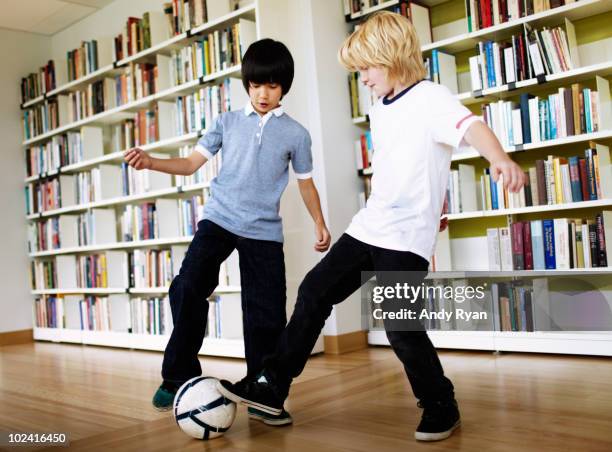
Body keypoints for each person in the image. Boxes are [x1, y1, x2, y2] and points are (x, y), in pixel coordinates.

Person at [218, 12, 526, 441]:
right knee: (314, 291)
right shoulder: (380, 107)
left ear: (392, 57)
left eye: (367, 68)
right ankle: (271, 387)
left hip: (405, 236)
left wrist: (500, 159)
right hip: (370, 225)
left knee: (400, 325)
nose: (362, 78)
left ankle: (440, 403)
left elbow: (472, 128)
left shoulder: (431, 97)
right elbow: (403, 164)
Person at [124, 38, 331, 426]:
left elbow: (305, 183)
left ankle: (264, 393)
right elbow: (190, 164)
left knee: (265, 315)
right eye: (255, 85)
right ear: (246, 84)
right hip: (218, 221)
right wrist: (151, 162)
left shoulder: (296, 134)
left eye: (271, 85)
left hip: (263, 232)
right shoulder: (226, 122)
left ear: (284, 86)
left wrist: (319, 221)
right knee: (187, 287)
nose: (262, 94)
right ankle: (178, 374)